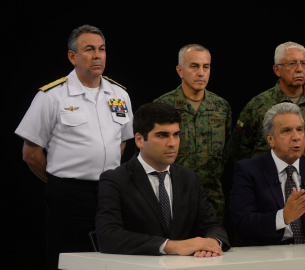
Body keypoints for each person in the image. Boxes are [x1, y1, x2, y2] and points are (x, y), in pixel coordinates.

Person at [14, 24, 133, 269]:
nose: (98, 55)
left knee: (110, 257)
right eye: (89, 49)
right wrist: (58, 181)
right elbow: (31, 153)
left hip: (110, 192)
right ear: (72, 56)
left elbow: (121, 141)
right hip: (68, 194)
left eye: (102, 49)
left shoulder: (119, 94)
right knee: (67, 256)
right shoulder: (52, 96)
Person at [95, 102, 230, 256]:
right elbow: (108, 237)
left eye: (176, 135)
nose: (172, 143)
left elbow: (213, 226)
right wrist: (172, 246)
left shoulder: (188, 177)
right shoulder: (115, 180)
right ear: (139, 140)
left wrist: (212, 242)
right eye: (162, 135)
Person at [229, 102, 305, 246]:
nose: (296, 137)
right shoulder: (248, 171)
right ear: (270, 139)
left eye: (300, 130)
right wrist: (283, 217)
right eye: (286, 131)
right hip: (269, 255)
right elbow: (242, 223)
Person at [153, 44, 232, 224]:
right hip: (173, 195)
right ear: (180, 70)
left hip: (211, 198)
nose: (201, 73)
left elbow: (227, 151)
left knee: (212, 248)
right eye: (194, 66)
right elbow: (152, 153)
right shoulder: (162, 106)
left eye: (206, 67)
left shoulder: (221, 107)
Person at [231, 41, 305, 163]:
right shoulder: (258, 104)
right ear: (277, 70)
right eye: (292, 64)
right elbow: (239, 148)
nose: (299, 69)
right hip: (267, 179)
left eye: (303, 63)